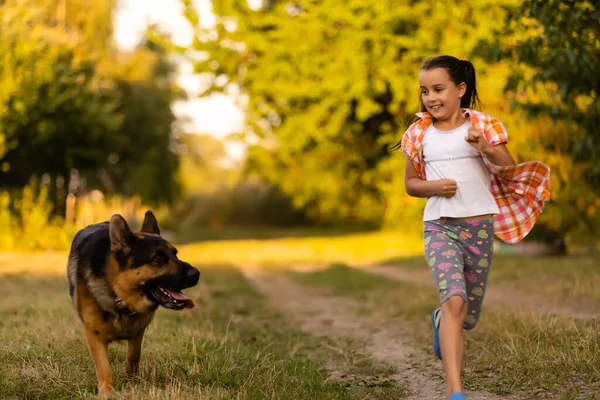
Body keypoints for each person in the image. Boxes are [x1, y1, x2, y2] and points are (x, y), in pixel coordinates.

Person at [398, 55, 551, 400]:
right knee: (454, 299)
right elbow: (410, 184)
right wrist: (435, 187)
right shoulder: (419, 133)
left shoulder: (484, 126)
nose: (431, 98)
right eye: (425, 91)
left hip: (479, 226)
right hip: (439, 226)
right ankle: (455, 392)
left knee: (467, 313)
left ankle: (442, 320)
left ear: (460, 89)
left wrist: (482, 146)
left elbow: (507, 166)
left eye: (438, 89)